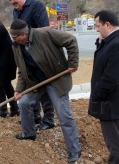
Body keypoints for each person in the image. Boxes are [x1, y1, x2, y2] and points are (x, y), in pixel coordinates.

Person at [10, 19, 81, 163]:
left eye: (15, 37)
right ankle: (29, 133)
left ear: (24, 34)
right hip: (37, 83)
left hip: (55, 80)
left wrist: (73, 63)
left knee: (63, 115)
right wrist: (18, 90)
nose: (13, 40)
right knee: (24, 103)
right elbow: (22, 71)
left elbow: (71, 40)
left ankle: (75, 150)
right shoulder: (17, 46)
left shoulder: (45, 33)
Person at [5, 0, 55, 130]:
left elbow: (43, 29)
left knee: (44, 87)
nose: (12, 2)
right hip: (25, 55)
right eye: (9, 0)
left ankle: (49, 120)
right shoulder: (16, 11)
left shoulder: (36, 6)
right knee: (30, 85)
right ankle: (35, 117)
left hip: (39, 54)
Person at [88, 10, 119, 164]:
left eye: (98, 26)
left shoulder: (116, 44)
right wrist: (100, 42)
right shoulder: (111, 41)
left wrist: (96, 94)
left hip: (111, 105)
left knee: (115, 145)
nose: (96, 29)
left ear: (107, 24)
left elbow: (111, 78)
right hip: (111, 103)